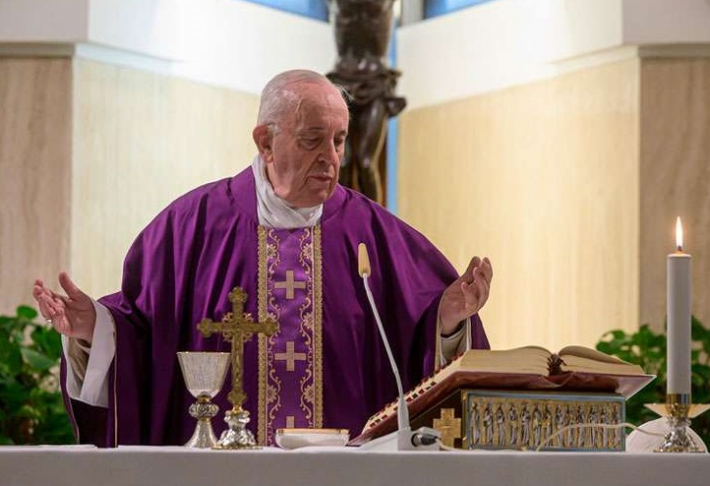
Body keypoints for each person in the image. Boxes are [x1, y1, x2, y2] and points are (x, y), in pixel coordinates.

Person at [33, 69, 492, 448]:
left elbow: (417, 359)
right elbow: (144, 338)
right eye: (313, 139)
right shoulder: (189, 228)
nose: (330, 157)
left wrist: (447, 322)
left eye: (339, 140)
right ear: (265, 142)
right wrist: (94, 330)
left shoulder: (377, 238)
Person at [326, 0, 406, 204]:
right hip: (343, 80)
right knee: (343, 162)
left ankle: (374, 218)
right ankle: (341, 216)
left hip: (375, 82)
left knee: (366, 161)